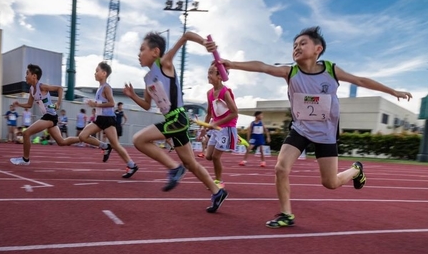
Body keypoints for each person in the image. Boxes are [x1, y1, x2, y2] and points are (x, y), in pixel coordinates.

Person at [218, 26, 412, 227]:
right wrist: (232, 64)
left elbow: (360, 80)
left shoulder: (331, 70)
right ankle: (287, 214)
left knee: (330, 183)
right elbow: (263, 67)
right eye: (294, 45)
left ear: (317, 49)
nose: (297, 48)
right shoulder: (290, 71)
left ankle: (356, 170)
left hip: (326, 133)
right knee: (281, 168)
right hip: (300, 129)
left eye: (303, 43)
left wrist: (392, 91)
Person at [122, 31, 228, 213]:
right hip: (172, 121)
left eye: (142, 49)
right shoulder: (147, 79)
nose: (139, 54)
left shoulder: (164, 64)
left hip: (178, 118)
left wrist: (204, 42)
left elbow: (186, 36)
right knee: (191, 164)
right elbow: (147, 105)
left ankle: (173, 168)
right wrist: (133, 96)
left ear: (155, 51)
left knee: (139, 139)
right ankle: (217, 191)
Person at [10, 64, 80, 165]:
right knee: (61, 142)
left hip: (50, 116)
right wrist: (19, 104)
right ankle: (83, 138)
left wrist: (58, 103)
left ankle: (25, 159)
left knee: (26, 133)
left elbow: (60, 89)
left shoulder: (42, 87)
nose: (25, 76)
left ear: (34, 76)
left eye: (27, 73)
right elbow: (29, 105)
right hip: (49, 116)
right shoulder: (32, 90)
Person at [78, 62, 139, 179]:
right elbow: (102, 103)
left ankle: (132, 165)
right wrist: (95, 104)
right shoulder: (99, 88)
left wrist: (95, 104)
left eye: (97, 71)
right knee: (82, 136)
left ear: (104, 73)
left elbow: (112, 103)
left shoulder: (106, 87)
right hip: (99, 119)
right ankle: (105, 146)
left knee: (116, 144)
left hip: (108, 120)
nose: (95, 73)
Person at [199, 62, 239, 189]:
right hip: (215, 128)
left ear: (220, 76)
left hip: (226, 128)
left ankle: (219, 181)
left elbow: (235, 113)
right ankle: (218, 178)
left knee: (216, 157)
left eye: (211, 72)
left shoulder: (225, 92)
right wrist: (204, 128)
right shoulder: (209, 93)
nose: (208, 75)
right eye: (208, 72)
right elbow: (209, 113)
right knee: (208, 156)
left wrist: (216, 123)